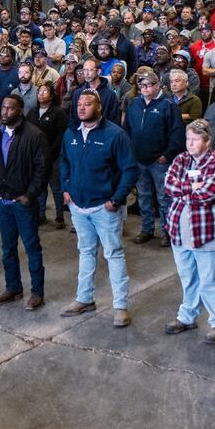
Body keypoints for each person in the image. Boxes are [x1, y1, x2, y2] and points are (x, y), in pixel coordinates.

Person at [59, 90, 139, 327]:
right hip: (78, 206)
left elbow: (130, 170)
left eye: (87, 104)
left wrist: (116, 199)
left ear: (99, 107)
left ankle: (120, 307)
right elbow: (64, 161)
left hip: (105, 208)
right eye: (79, 104)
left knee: (113, 254)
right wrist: (66, 188)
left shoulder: (115, 134)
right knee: (85, 252)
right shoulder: (71, 133)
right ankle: (84, 299)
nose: (82, 108)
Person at [162, 119, 215, 344]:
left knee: (212, 280)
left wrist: (183, 189)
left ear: (207, 141)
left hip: (207, 235)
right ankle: (187, 317)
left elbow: (207, 194)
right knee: (188, 278)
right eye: (188, 139)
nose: (190, 143)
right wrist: (190, 187)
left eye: (195, 139)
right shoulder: (181, 159)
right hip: (179, 232)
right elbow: (168, 184)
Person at [0, 94, 49, 310]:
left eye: (10, 108)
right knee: (7, 248)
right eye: (3, 107)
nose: (5, 112)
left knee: (32, 247)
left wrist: (29, 195)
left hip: (23, 203)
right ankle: (13, 287)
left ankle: (37, 292)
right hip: (3, 202)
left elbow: (42, 169)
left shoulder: (34, 135)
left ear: (20, 111)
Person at [125, 68, 185, 247]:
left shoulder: (168, 105)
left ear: (157, 85)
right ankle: (147, 229)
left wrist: (167, 155)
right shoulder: (134, 104)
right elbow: (127, 129)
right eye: (141, 85)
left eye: (148, 85)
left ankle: (167, 232)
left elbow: (177, 134)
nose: (144, 88)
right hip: (139, 160)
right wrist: (131, 153)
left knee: (164, 198)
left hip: (160, 162)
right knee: (143, 197)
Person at [29, 83, 68, 229]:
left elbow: (61, 134)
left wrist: (51, 152)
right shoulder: (32, 112)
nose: (41, 94)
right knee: (40, 187)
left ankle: (60, 217)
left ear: (51, 95)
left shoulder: (58, 113)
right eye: (39, 91)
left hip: (53, 157)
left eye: (45, 91)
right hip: (36, 157)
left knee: (56, 187)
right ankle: (41, 215)